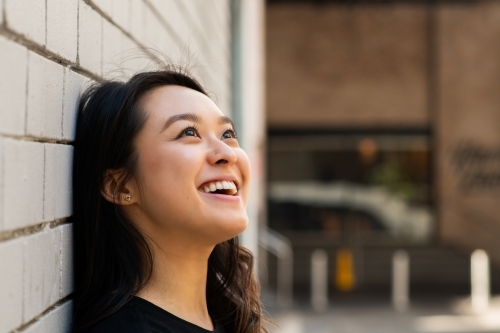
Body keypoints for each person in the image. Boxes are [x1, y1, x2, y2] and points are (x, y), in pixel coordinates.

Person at [72, 69, 270, 333]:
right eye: (189, 132)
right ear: (119, 186)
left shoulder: (224, 317)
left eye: (227, 134)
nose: (226, 153)